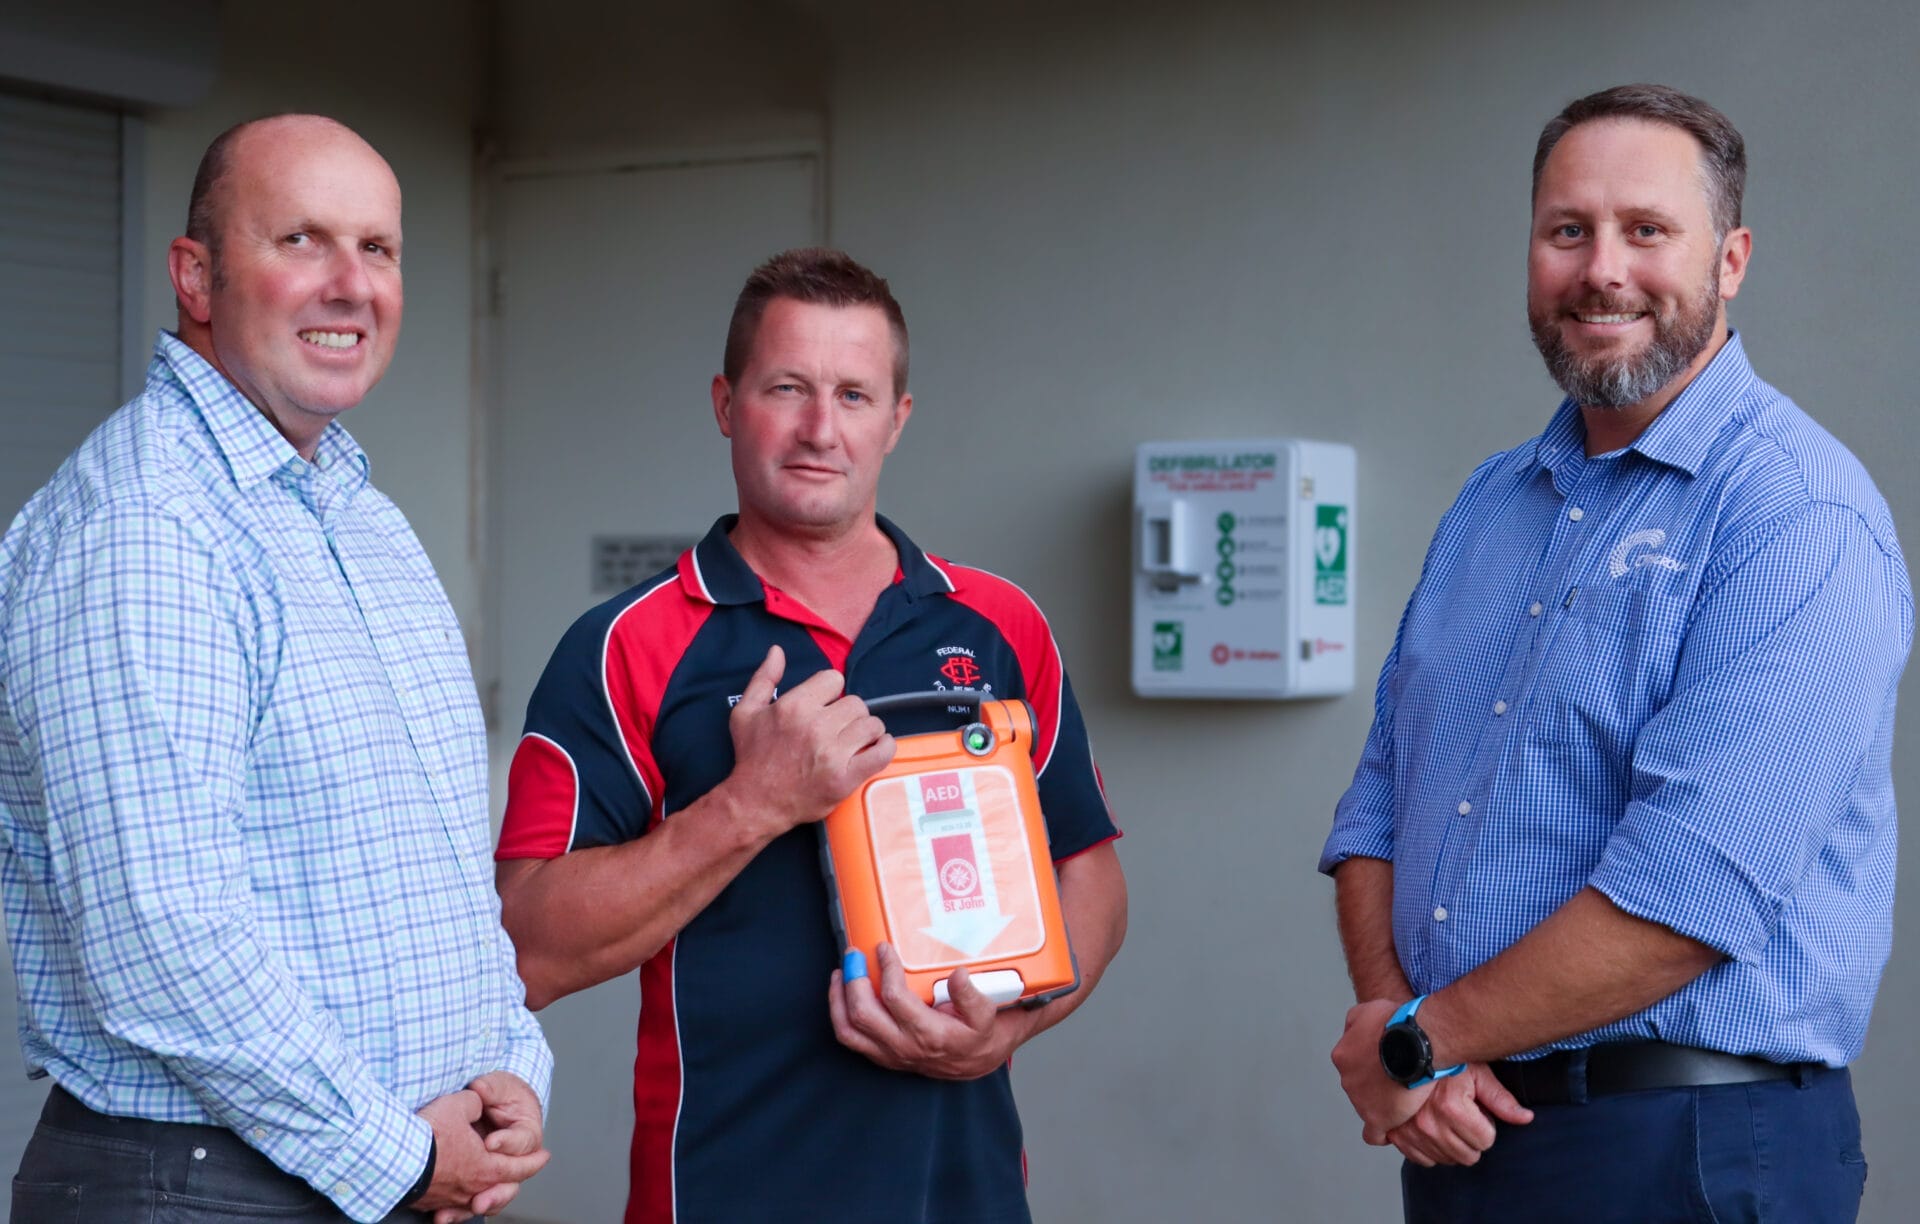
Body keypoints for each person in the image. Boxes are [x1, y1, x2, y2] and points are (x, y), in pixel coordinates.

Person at [1322, 84, 1910, 1222]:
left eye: (1648, 230)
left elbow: (1689, 896)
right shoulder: (1491, 504)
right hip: (1467, 1129)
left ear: (1730, 259)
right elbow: (1378, 807)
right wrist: (1413, 1046)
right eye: (1567, 231)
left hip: (1689, 1150)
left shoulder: (1795, 514)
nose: (1603, 269)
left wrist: (1416, 1041)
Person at [494, 246, 1128, 1224]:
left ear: (897, 420)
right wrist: (753, 805)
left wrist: (1008, 1030)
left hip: (962, 1192)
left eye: (854, 395)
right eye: (786, 388)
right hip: (723, 1186)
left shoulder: (998, 626)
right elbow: (525, 948)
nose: (820, 428)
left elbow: (1088, 874)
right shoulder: (628, 646)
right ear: (724, 402)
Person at [0, 114, 553, 1224]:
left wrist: (509, 1071)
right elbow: (162, 939)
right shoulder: (147, 525)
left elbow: (440, 865)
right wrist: (393, 1150)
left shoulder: (362, 521)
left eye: (379, 249)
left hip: (379, 1174)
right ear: (195, 276)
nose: (350, 284)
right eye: (300, 240)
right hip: (202, 1190)